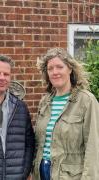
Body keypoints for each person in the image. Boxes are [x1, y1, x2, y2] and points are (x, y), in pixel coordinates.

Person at [33, 47, 99, 180]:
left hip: (70, 175)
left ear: (70, 69)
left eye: (59, 67)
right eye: (50, 68)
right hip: (42, 172)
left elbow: (93, 147)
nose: (54, 72)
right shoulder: (45, 101)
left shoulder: (86, 100)